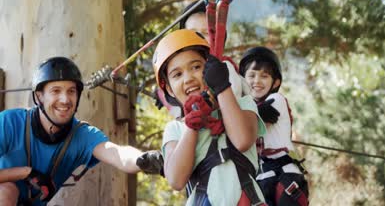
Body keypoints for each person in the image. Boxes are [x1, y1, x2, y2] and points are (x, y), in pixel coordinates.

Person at [0, 57, 163, 206]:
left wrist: (146, 159)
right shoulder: (10, 122)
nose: (65, 99)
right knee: (7, 190)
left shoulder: (82, 135)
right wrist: (25, 172)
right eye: (56, 91)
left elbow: (116, 153)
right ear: (39, 96)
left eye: (71, 91)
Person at [152, 29, 266, 205]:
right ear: (168, 88)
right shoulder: (175, 129)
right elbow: (176, 179)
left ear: (210, 70)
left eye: (196, 67)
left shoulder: (241, 105)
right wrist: (191, 125)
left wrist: (222, 87)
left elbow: (243, 140)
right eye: (177, 74)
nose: (188, 78)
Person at [239, 47, 309, 206]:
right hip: (263, 179)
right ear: (242, 79)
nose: (256, 81)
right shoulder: (246, 110)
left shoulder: (276, 100)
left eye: (264, 76)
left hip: (285, 177)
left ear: (275, 82)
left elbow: (251, 122)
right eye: (251, 75)